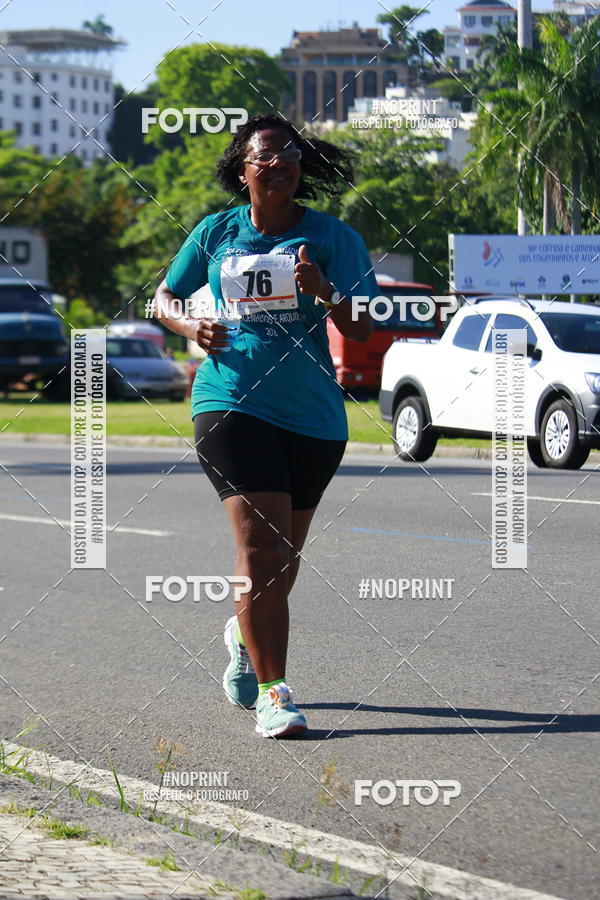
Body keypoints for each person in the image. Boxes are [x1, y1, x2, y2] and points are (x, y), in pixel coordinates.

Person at [153, 113, 376, 738]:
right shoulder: (216, 231)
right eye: (265, 155)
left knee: (285, 561)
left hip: (312, 416)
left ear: (302, 170)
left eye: (289, 155)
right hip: (229, 400)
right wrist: (189, 327)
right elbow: (164, 298)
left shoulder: (333, 238)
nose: (278, 163)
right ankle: (275, 694)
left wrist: (325, 291)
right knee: (262, 550)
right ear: (242, 168)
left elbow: (361, 328)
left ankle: (241, 635)